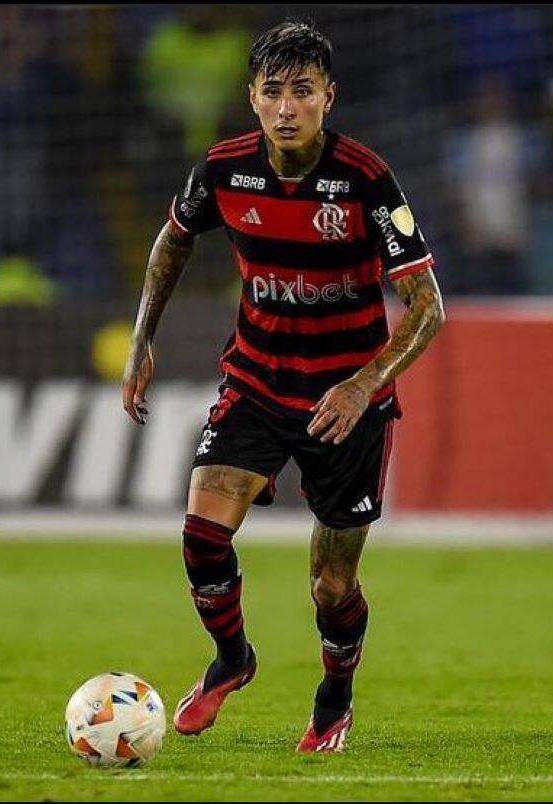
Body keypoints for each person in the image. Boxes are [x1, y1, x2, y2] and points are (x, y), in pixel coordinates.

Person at [121, 19, 445, 753]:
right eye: (274, 92)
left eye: (303, 91)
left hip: (346, 406)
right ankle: (233, 660)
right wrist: (143, 337)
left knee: (331, 586)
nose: (288, 107)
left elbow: (429, 308)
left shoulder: (367, 180)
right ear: (253, 99)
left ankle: (334, 699)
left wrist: (364, 385)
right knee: (202, 536)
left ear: (330, 97)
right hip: (258, 383)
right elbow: (174, 237)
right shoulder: (223, 171)